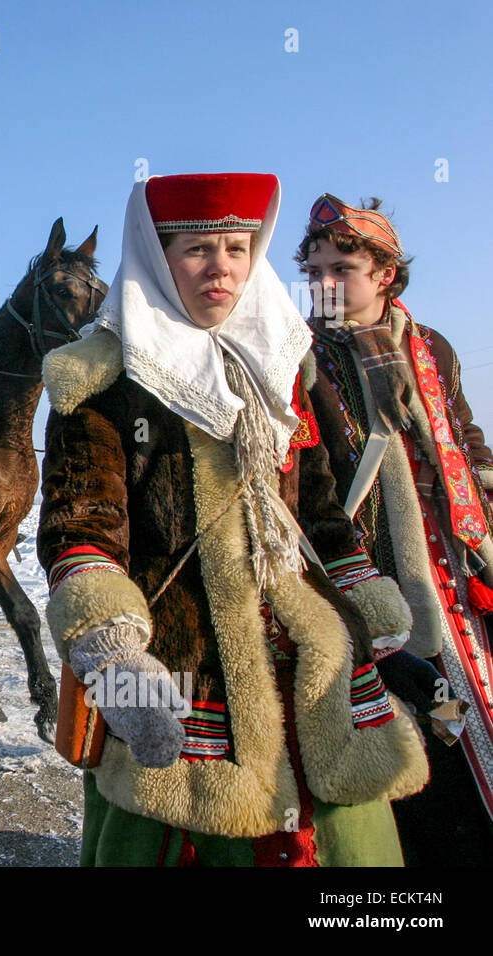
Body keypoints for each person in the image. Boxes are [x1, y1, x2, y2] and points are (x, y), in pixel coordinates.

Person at [38, 173, 428, 866]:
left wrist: (358, 582)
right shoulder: (99, 379)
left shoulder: (284, 361)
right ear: (158, 259)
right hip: (182, 667)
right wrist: (116, 658)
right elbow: (81, 529)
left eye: (236, 247)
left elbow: (319, 505)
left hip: (308, 658)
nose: (220, 265)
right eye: (196, 249)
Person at [298, 193, 493, 865]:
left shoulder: (430, 346)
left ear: (384, 274)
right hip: (361, 568)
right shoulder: (298, 358)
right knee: (404, 719)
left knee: (465, 716)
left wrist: (483, 499)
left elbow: (463, 437)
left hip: (449, 566)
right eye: (314, 269)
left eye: (340, 267)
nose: (323, 284)